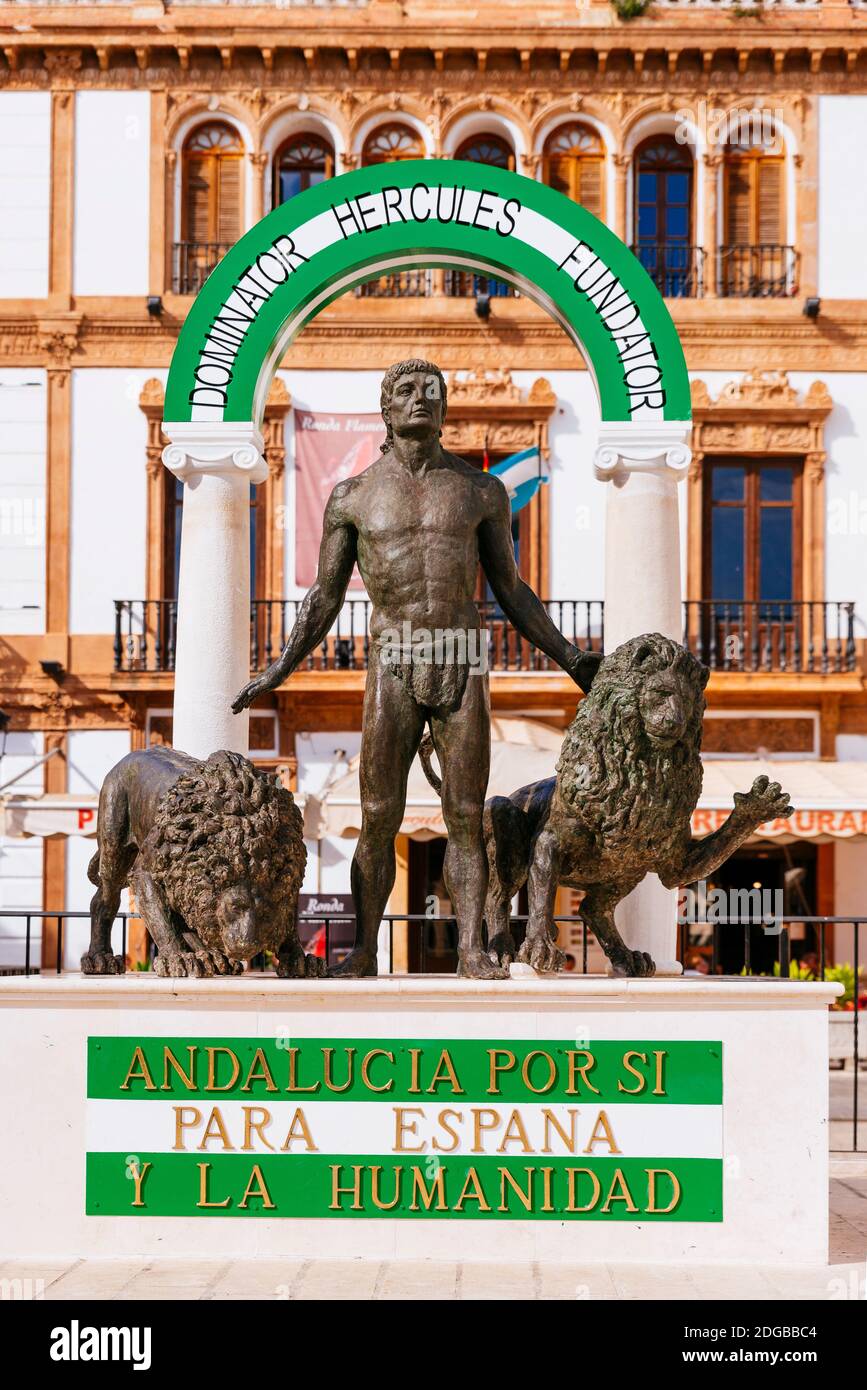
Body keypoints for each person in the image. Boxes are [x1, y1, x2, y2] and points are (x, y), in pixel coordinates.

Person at [233, 359, 600, 978]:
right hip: (393, 662)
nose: (420, 398)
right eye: (406, 390)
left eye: (432, 390)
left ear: (445, 407)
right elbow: (324, 597)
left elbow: (512, 590)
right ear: (386, 408)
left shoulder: (481, 491)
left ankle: (472, 950)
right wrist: (278, 668)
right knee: (379, 816)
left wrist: (569, 656)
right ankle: (365, 949)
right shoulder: (352, 496)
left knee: (465, 813)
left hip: (462, 660)